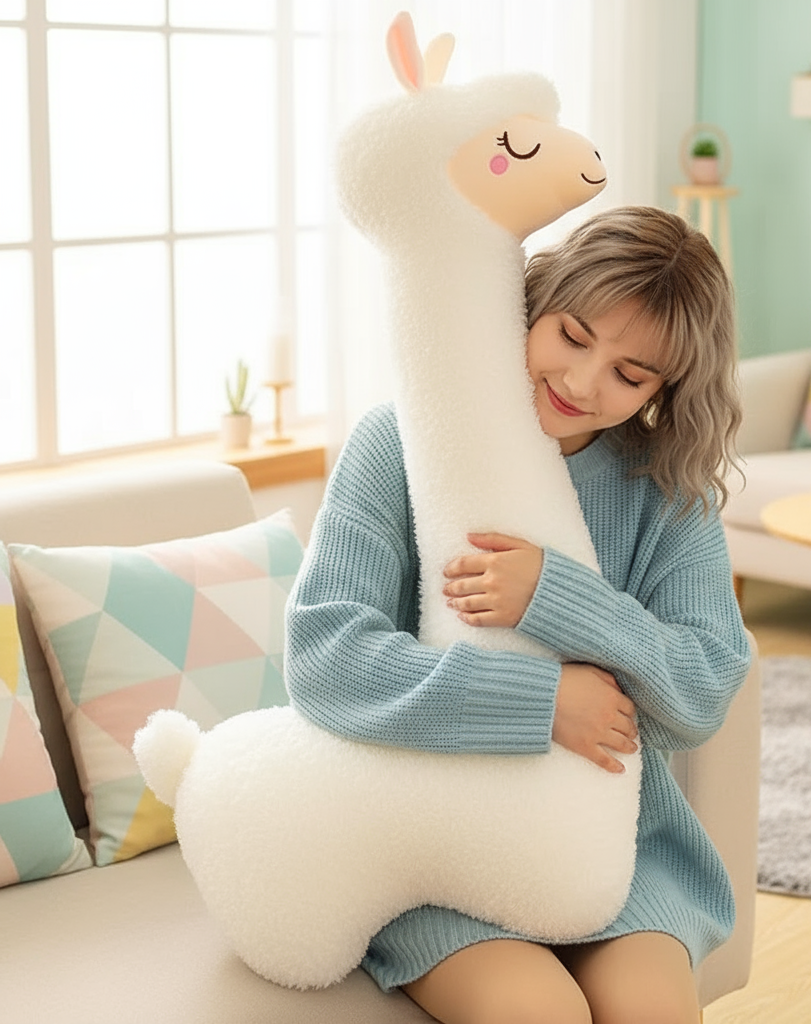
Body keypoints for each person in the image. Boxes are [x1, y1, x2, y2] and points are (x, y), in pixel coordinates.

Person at [286, 205, 751, 1024]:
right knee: (538, 1012)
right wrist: (542, 703)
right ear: (532, 302)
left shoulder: (666, 491)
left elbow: (702, 692)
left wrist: (560, 598)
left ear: (666, 389)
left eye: (630, 375)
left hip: (616, 845)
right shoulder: (399, 442)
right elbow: (326, 660)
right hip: (441, 841)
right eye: (572, 336)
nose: (583, 382)